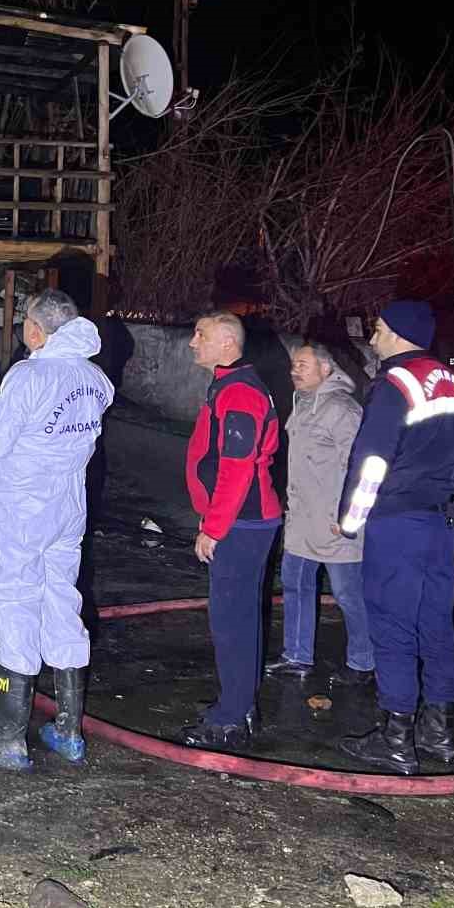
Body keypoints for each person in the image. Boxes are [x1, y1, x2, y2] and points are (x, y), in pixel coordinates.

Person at [0, 290, 113, 771]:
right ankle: (68, 730)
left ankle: (7, 738)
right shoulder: (94, 379)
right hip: (68, 507)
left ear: (37, 330)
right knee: (62, 600)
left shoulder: (30, 376)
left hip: (21, 510)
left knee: (13, 602)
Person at [336, 300, 454, 776]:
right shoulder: (453, 381)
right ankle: (440, 733)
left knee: (392, 627)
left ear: (400, 333)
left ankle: (395, 738)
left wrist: (349, 520)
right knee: (437, 624)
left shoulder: (395, 384)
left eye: (380, 329)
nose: (373, 337)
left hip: (398, 523)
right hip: (444, 523)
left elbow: (372, 463)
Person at [181, 312, 282, 750]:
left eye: (199, 334)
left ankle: (231, 719)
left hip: (242, 522)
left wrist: (214, 528)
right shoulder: (228, 384)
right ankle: (237, 703)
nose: (190, 342)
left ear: (226, 342)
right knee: (238, 617)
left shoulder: (239, 391)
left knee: (232, 621)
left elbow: (236, 469)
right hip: (243, 521)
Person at [266, 343, 372, 685]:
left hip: (336, 524)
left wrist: (348, 517)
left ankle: (364, 661)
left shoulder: (343, 409)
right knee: (295, 585)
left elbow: (360, 467)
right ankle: (296, 656)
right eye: (294, 364)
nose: (294, 370)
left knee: (348, 595)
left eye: (303, 364)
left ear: (326, 370)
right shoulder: (302, 403)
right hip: (300, 518)